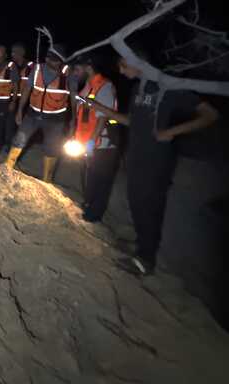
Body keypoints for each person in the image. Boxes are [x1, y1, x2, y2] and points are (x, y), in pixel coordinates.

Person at [88, 52, 219, 276]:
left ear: (139, 61)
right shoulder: (138, 87)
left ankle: (145, 260)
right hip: (136, 155)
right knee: (136, 201)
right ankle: (141, 245)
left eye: (123, 65)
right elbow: (131, 120)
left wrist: (172, 131)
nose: (120, 70)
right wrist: (103, 109)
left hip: (157, 159)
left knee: (149, 205)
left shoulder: (168, 87)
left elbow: (210, 115)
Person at [5, 44, 77, 183]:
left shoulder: (69, 74)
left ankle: (46, 179)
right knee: (20, 139)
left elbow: (73, 98)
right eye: (51, 59)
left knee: (52, 148)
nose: (54, 63)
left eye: (57, 60)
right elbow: (27, 90)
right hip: (32, 114)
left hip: (56, 119)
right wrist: (20, 110)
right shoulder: (37, 69)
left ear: (62, 61)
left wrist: (74, 118)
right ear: (47, 58)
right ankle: (7, 167)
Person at [71, 57, 119, 223]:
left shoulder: (104, 86)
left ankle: (93, 216)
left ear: (88, 68)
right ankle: (88, 206)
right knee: (89, 177)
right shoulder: (88, 86)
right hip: (88, 142)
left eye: (77, 70)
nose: (75, 74)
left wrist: (91, 142)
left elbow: (102, 118)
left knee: (100, 182)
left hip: (103, 143)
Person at [7, 43, 34, 150]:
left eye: (15, 52)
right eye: (12, 52)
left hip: (26, 100)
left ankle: (19, 147)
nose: (12, 54)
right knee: (9, 123)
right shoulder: (10, 65)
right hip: (12, 98)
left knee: (21, 125)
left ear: (22, 53)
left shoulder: (31, 66)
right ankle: (8, 144)